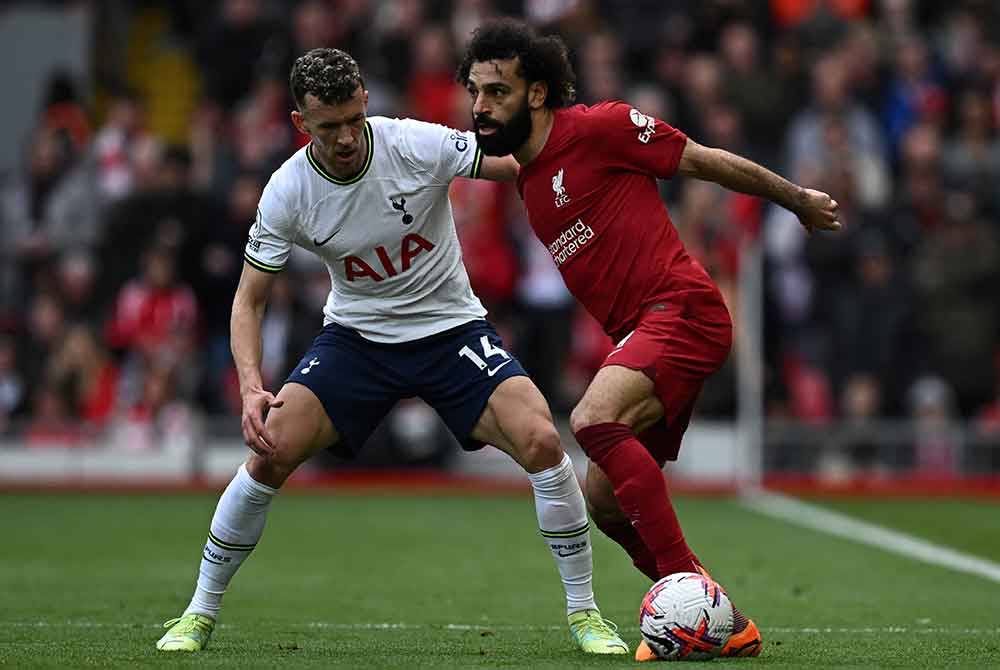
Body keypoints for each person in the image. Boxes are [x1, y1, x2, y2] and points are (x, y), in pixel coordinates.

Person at [156, 48, 628, 655]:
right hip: (358, 339)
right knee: (269, 450)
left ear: (365, 105)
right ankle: (199, 611)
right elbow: (248, 301)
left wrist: (591, 163)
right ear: (302, 124)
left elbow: (518, 163)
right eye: (330, 127)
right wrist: (252, 387)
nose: (348, 136)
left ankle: (586, 613)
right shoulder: (287, 192)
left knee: (540, 437)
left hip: (450, 328)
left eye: (355, 119)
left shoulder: (413, 144)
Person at [458, 19, 842, 661]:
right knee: (602, 502)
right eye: (474, 91)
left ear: (537, 93)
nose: (480, 106)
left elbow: (705, 161)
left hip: (683, 311)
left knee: (591, 418)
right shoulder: (526, 179)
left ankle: (692, 589)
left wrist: (796, 198)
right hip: (644, 334)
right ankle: (719, 620)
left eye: (496, 91)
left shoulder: (602, 127)